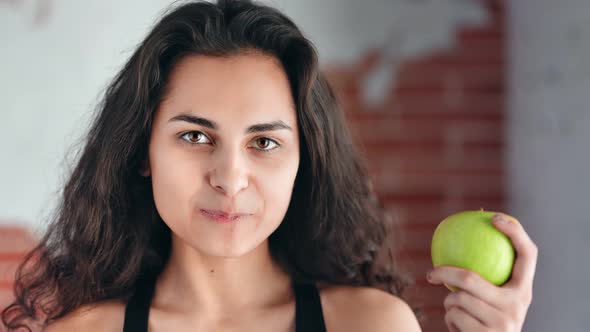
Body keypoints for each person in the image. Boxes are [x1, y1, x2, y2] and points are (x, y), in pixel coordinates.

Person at [1, 0, 538, 331]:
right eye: (194, 135)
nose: (230, 178)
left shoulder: (371, 326)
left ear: (304, 161)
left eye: (264, 143)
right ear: (143, 152)